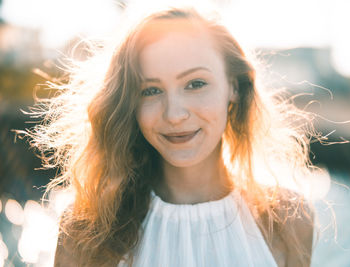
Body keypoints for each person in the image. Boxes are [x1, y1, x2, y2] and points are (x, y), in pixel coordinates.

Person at [25, 6, 315, 267]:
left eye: (195, 84)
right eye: (150, 90)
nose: (174, 114)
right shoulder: (85, 231)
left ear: (234, 88)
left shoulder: (289, 221)